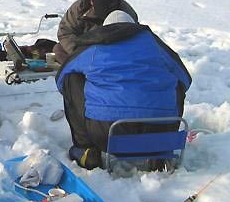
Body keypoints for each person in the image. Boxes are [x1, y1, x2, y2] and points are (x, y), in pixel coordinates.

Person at [56, 9, 192, 170]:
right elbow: (185, 79)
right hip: (160, 132)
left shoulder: (95, 46)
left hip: (105, 134)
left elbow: (62, 78)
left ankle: (85, 149)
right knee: (175, 82)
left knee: (72, 79)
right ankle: (160, 154)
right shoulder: (154, 44)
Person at [53, 0, 139, 65]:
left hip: (113, 51)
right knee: (58, 49)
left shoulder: (125, 12)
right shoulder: (79, 9)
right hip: (85, 49)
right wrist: (79, 52)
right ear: (91, 3)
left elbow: (135, 36)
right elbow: (65, 32)